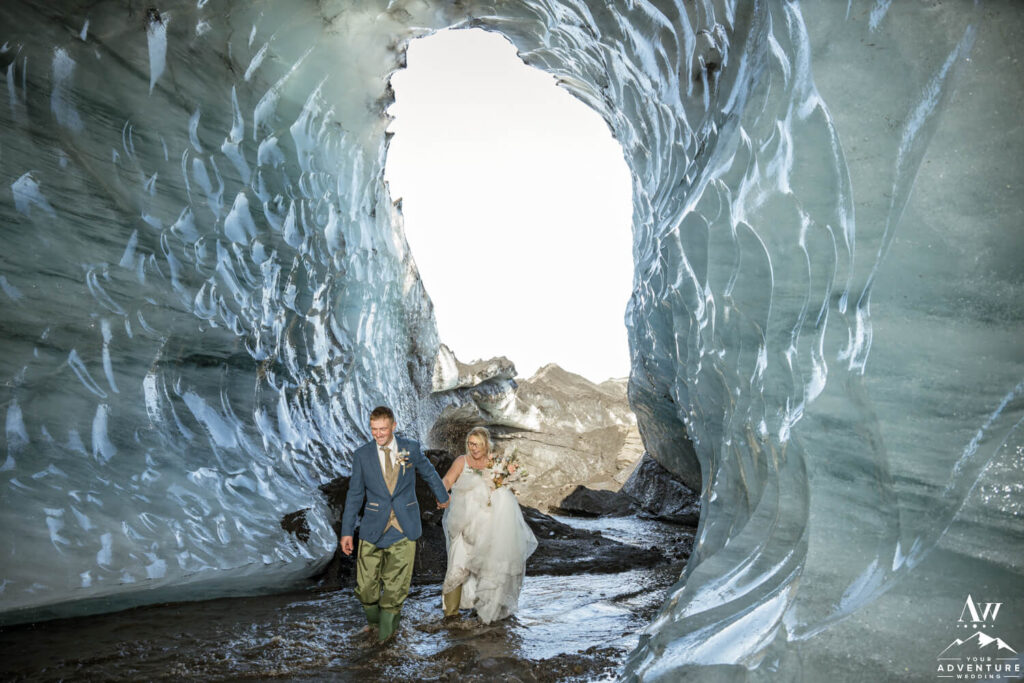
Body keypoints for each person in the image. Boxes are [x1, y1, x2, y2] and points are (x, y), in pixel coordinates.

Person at [339, 405, 450, 643]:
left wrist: (442, 496)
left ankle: (385, 641)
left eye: (383, 429)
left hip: (404, 526)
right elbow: (355, 494)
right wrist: (347, 531)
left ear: (393, 426)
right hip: (372, 528)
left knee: (395, 588)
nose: (378, 434)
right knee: (366, 587)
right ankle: (373, 624)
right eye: (374, 429)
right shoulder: (362, 455)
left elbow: (429, 473)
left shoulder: (410, 448)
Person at [440, 426, 538, 624]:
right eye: (470, 443)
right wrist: (442, 495)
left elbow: (504, 490)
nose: (473, 448)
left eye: (477, 444)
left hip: (487, 526)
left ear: (486, 445)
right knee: (456, 565)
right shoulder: (462, 461)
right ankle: (450, 614)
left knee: (486, 568)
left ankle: (482, 608)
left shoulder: (495, 463)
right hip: (463, 523)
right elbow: (448, 480)